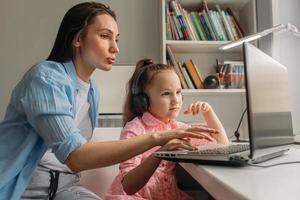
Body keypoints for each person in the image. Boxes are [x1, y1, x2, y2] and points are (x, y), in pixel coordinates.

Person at [0, 2, 218, 200]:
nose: (115, 47)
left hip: (66, 187)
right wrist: (158, 138)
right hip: (25, 188)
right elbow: (75, 157)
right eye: (105, 36)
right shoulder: (45, 78)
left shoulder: (92, 89)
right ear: (77, 39)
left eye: (116, 39)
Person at [105, 58, 229, 200]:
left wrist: (209, 113)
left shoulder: (178, 128)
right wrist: (161, 153)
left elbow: (222, 147)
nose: (176, 100)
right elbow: (129, 186)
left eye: (178, 92)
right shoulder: (134, 129)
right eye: (166, 93)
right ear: (143, 100)